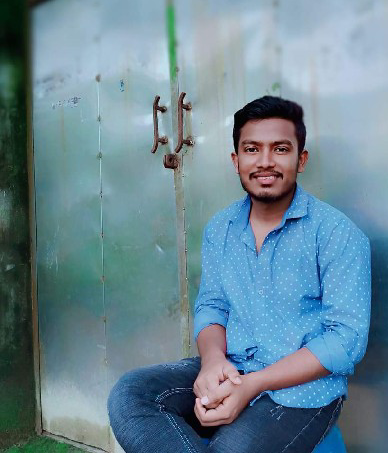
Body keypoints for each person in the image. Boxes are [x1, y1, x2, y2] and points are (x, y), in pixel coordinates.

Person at [108, 95, 371, 453]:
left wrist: (254, 384)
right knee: (131, 395)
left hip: (302, 391)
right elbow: (212, 306)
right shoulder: (222, 228)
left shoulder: (337, 234)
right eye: (252, 149)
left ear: (301, 159)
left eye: (280, 149)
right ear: (236, 161)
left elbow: (345, 340)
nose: (265, 162)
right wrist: (212, 362)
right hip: (232, 368)